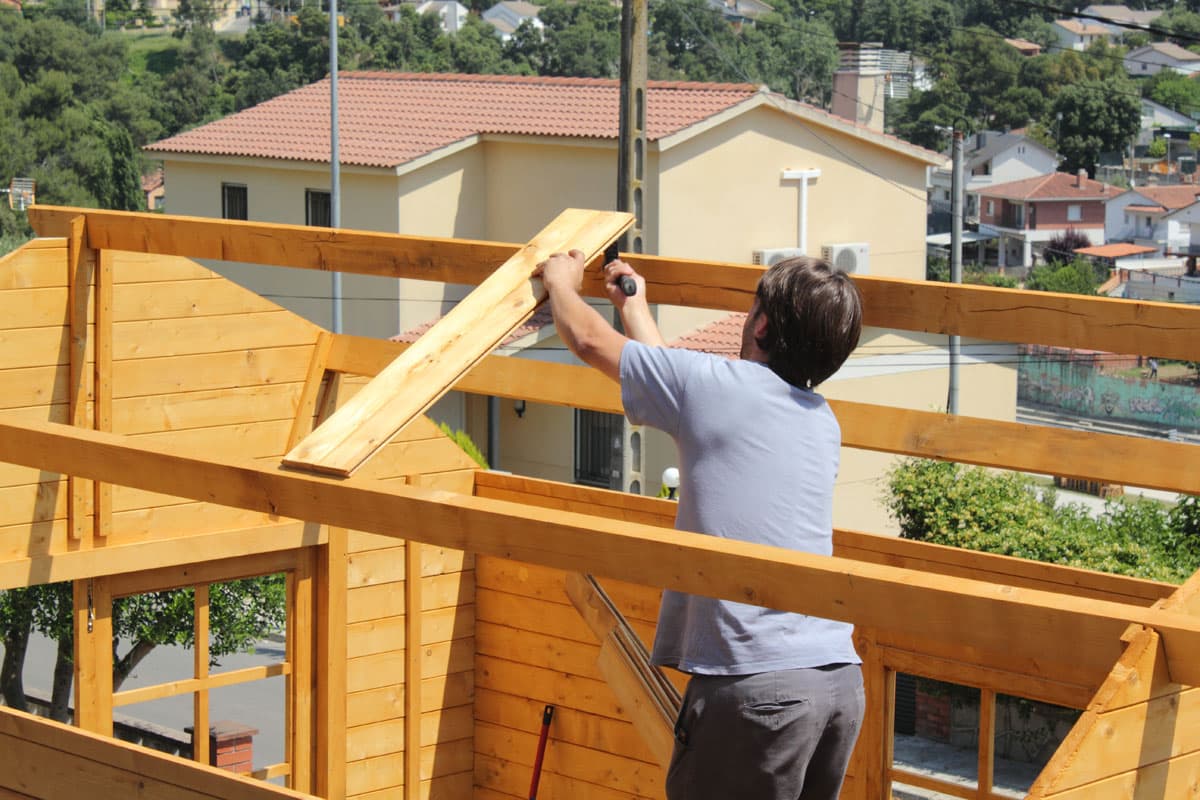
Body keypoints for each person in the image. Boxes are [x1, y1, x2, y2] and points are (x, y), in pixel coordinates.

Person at [536, 249, 865, 800]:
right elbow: (680, 388)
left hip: (757, 689)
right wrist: (634, 306)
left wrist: (560, 282)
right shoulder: (819, 419)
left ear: (760, 323)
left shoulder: (717, 389)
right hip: (834, 683)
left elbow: (590, 342)